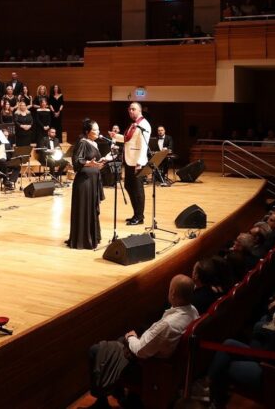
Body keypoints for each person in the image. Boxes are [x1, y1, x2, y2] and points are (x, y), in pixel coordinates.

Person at [87, 275, 199, 407]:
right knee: (117, 343)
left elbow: (140, 351)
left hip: (150, 368)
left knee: (96, 350)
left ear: (172, 293)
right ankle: (122, 396)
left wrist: (131, 337)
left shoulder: (168, 325)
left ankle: (103, 400)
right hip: (170, 364)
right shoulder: (193, 311)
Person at [68, 120, 106, 250]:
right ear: (87, 132)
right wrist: (89, 163)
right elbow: (76, 161)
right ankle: (83, 240)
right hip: (84, 182)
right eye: (95, 130)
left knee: (91, 209)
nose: (98, 132)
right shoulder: (82, 142)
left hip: (93, 180)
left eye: (98, 129)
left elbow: (93, 161)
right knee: (85, 209)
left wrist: (100, 163)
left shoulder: (94, 143)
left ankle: (92, 236)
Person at [123, 102, 151, 225]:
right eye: (129, 109)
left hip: (137, 162)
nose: (131, 111)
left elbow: (144, 145)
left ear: (140, 110)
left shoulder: (144, 125)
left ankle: (139, 217)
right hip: (129, 160)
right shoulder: (133, 124)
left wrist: (139, 162)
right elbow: (128, 140)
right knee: (128, 186)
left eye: (133, 109)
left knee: (137, 189)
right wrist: (116, 136)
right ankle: (136, 214)